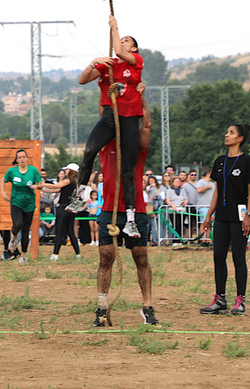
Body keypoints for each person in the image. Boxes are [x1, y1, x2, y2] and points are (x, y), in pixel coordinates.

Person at [93, 82, 158, 326]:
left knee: (141, 258)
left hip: (136, 211)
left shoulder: (137, 150)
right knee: (105, 258)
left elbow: (147, 125)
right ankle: (101, 307)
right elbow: (103, 117)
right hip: (109, 211)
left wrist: (141, 97)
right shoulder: (106, 145)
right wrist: (108, 91)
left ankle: (148, 307)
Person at [75, 15, 144, 219]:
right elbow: (82, 80)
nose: (122, 42)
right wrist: (94, 63)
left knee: (127, 170)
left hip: (129, 118)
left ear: (133, 49)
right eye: (120, 39)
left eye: (126, 41)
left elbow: (119, 51)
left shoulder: (135, 63)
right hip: (109, 117)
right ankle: (79, 196)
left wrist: (115, 27)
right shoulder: (109, 65)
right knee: (89, 151)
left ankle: (131, 216)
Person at [199, 123, 250, 316]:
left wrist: (248, 215)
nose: (226, 135)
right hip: (222, 217)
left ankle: (240, 299)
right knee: (218, 256)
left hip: (239, 216)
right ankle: (219, 299)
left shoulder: (247, 161)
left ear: (240, 139)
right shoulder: (220, 161)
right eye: (227, 132)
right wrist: (208, 215)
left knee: (238, 257)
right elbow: (217, 190)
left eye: (231, 133)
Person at [0, 149, 42, 264]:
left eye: (24, 157)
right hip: (16, 202)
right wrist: (3, 194)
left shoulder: (33, 170)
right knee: (18, 224)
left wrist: (37, 186)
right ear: (17, 160)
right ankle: (13, 237)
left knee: (25, 230)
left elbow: (40, 184)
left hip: (29, 204)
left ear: (27, 159)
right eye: (20, 157)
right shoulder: (12, 171)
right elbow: (3, 180)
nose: (22, 159)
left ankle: (23, 255)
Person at [40, 164, 80, 260]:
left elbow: (56, 186)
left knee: (59, 231)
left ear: (70, 171)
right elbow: (58, 189)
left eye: (66, 169)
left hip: (64, 207)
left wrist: (42, 184)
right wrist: (42, 189)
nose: (65, 170)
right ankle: (78, 254)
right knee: (70, 232)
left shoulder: (68, 180)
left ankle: (55, 254)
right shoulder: (74, 182)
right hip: (71, 209)